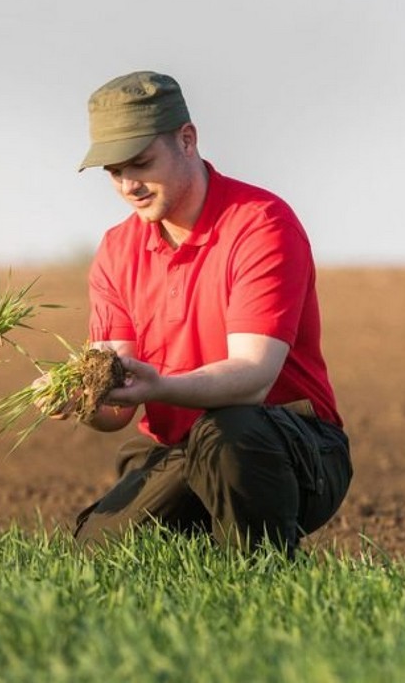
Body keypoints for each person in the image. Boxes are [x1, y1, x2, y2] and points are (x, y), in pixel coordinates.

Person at [51, 71, 353, 555]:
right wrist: (81, 398)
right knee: (96, 551)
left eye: (141, 162)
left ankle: (265, 572)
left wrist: (161, 387)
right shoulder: (116, 250)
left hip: (285, 445)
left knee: (226, 432)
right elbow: (115, 408)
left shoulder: (260, 224)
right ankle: (208, 550)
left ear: (187, 140)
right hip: (172, 452)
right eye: (114, 171)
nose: (129, 184)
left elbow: (253, 378)